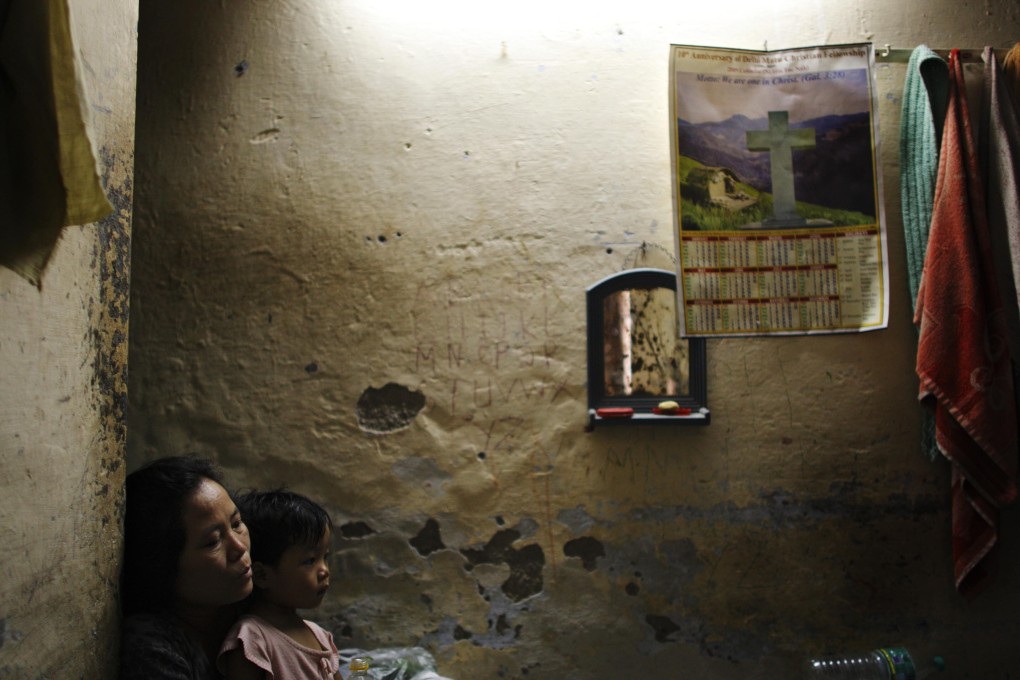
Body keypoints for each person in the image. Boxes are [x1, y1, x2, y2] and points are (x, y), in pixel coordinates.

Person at [120, 456, 254, 680]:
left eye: (237, 524)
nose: (239, 548)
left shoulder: (260, 601)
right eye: (213, 542)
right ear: (163, 564)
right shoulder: (153, 647)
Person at [218, 489, 341, 680]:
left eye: (325, 558)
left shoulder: (318, 635)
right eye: (310, 560)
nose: (324, 570)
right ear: (262, 575)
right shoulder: (252, 639)